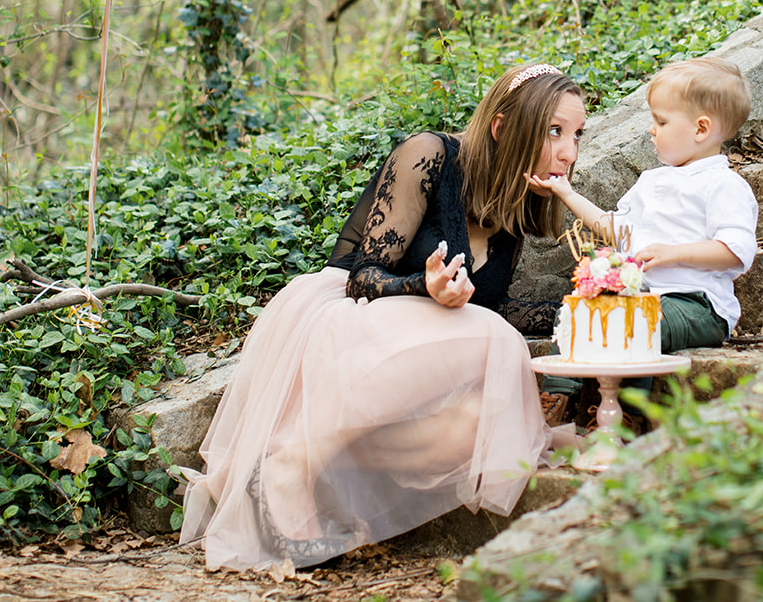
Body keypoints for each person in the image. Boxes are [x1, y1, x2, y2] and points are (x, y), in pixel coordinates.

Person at [179, 63, 584, 571]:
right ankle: (289, 469)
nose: (568, 152)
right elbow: (364, 276)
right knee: (496, 341)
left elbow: (490, 305)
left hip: (416, 340)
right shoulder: (431, 155)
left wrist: (582, 308)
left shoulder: (513, 201)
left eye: (575, 135)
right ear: (503, 127)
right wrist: (426, 285)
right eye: (554, 132)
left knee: (474, 428)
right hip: (349, 318)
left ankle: (310, 466)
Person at [530, 56, 758, 353]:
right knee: (572, 313)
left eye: (661, 121)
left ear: (701, 129)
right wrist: (567, 193)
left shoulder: (723, 185)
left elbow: (735, 250)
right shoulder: (651, 181)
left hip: (696, 304)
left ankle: (630, 399)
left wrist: (675, 254)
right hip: (642, 297)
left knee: (635, 322)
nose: (651, 129)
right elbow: (617, 231)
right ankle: (559, 393)